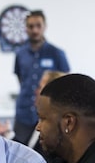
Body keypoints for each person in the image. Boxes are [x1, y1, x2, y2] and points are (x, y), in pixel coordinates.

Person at [13, 10, 70, 146]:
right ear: (26, 28)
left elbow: (66, 82)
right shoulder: (20, 53)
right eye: (31, 26)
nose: (35, 30)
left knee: (48, 150)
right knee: (20, 150)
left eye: (38, 25)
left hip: (50, 114)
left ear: (45, 26)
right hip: (24, 112)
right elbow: (20, 78)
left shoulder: (56, 53)